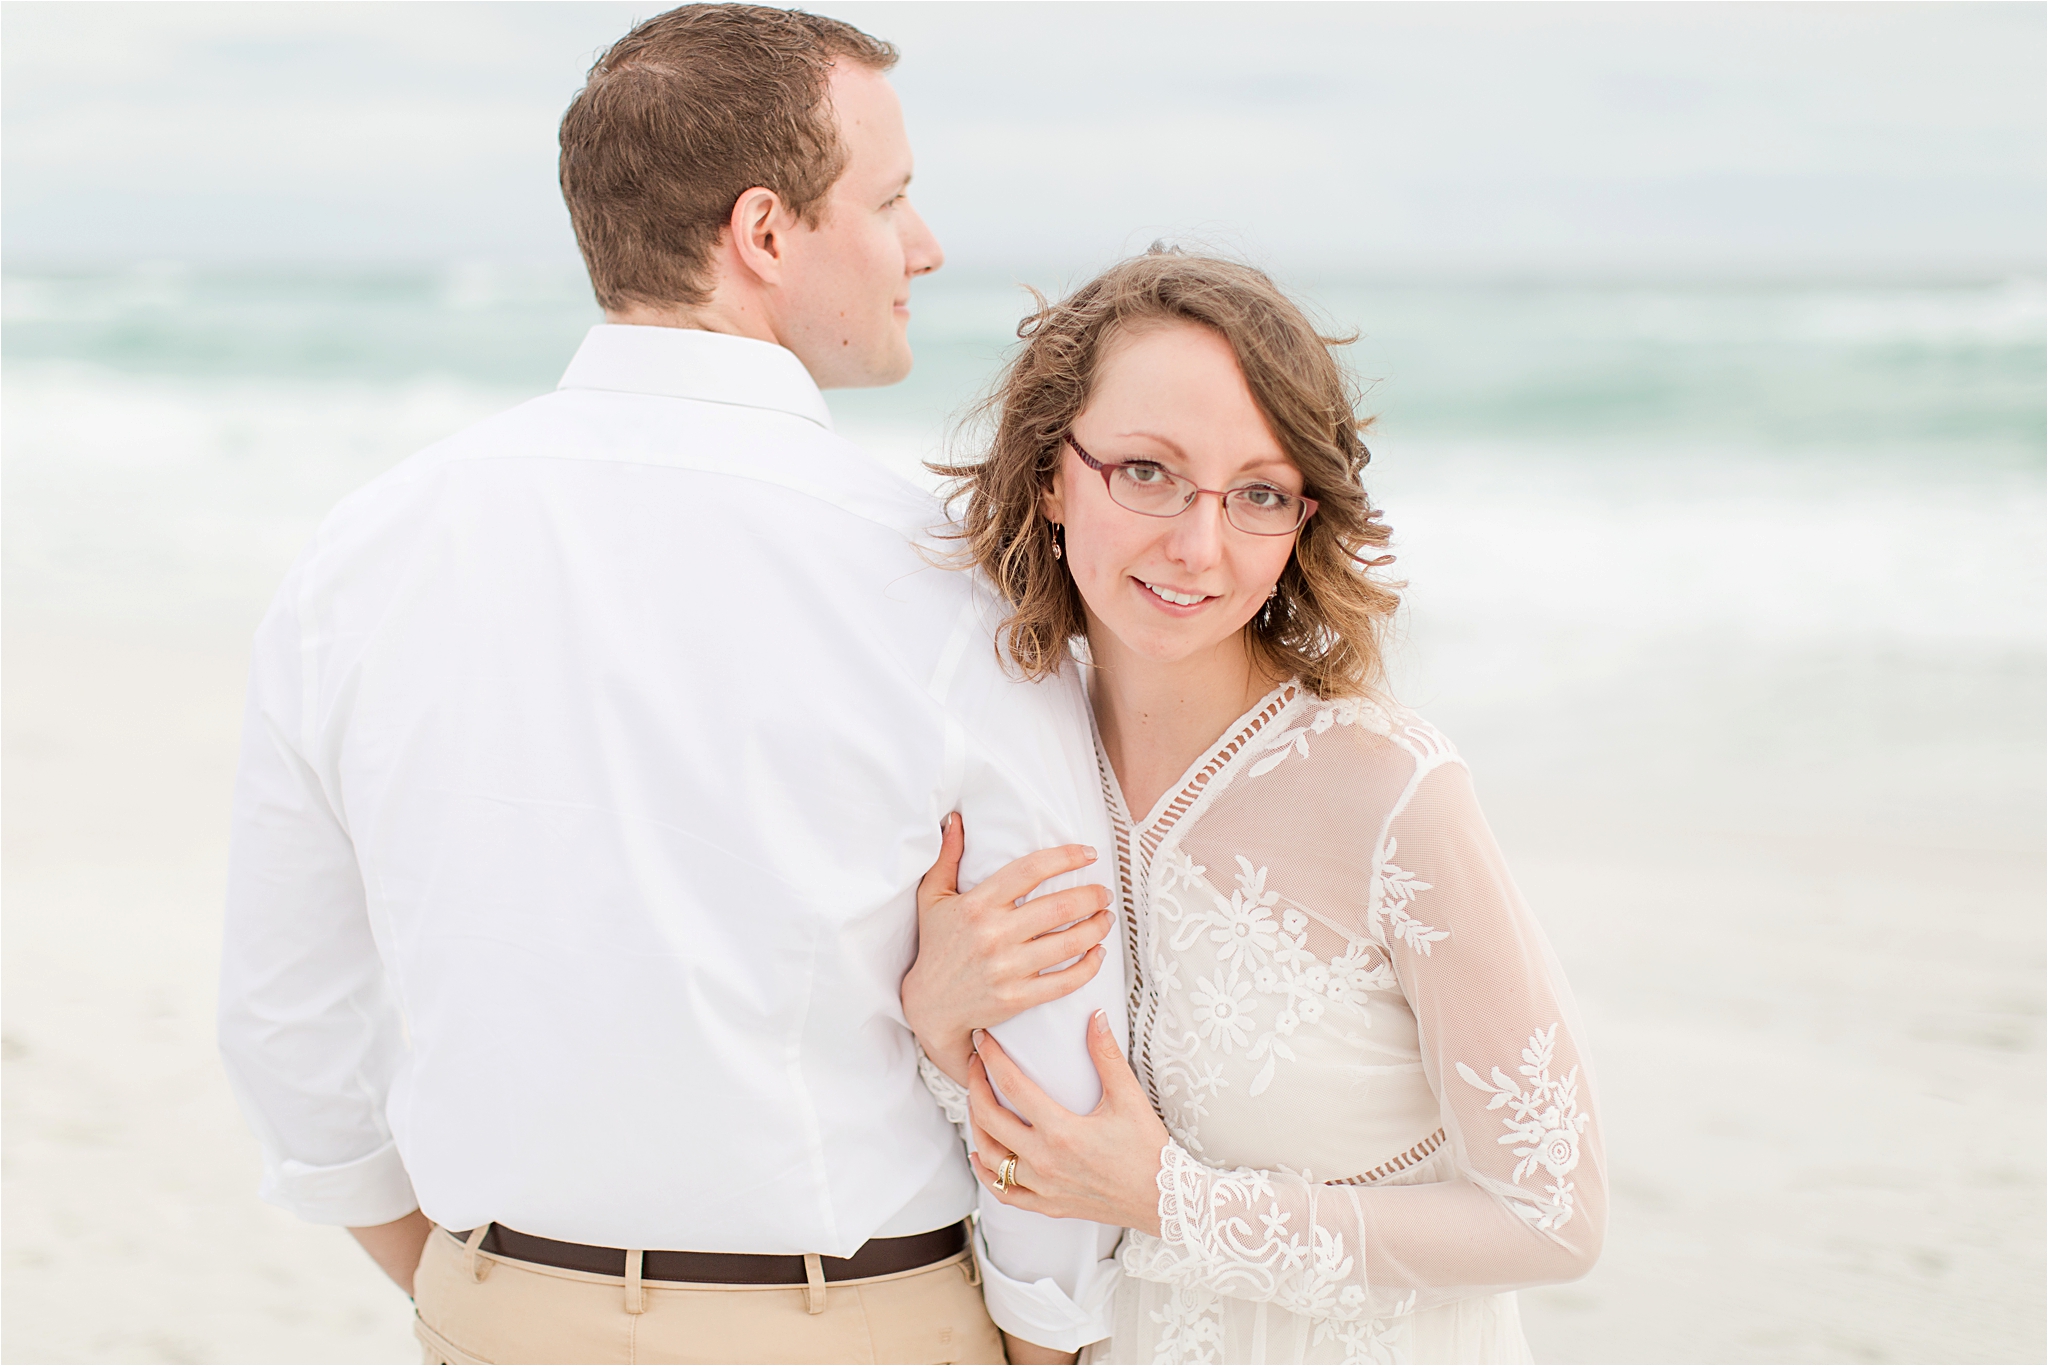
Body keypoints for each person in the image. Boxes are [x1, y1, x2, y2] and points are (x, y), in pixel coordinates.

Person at [218, 7, 1126, 1362]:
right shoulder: (946, 585)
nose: (924, 247)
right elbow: (1057, 1016)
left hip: (497, 1307)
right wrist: (1046, 1337)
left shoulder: (369, 549)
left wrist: (472, 1288)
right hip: (852, 1325)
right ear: (765, 233)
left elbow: (286, 1016)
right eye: (889, 201)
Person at [904, 252, 1607, 1363]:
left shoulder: (1391, 791)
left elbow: (1552, 1213)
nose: (1198, 544)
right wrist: (937, 1024)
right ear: (1049, 472)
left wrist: (1172, 1203)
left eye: (1258, 493)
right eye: (1146, 471)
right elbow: (1014, 1161)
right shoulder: (997, 758)